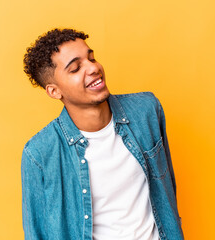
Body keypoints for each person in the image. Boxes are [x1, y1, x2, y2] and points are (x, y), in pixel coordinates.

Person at [21, 28, 184, 240]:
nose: (93, 68)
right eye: (76, 68)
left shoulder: (146, 111)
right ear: (54, 91)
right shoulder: (39, 154)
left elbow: (167, 190)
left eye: (92, 58)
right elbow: (37, 234)